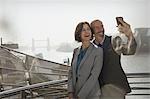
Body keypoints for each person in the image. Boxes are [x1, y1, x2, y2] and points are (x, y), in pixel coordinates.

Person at [90, 19, 137, 99]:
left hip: (115, 87)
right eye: (97, 27)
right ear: (92, 31)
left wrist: (129, 35)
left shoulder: (114, 40)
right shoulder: (90, 48)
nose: (101, 29)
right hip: (97, 90)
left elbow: (130, 51)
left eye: (101, 26)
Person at [68, 22, 103, 99]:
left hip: (91, 95)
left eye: (88, 29)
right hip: (75, 94)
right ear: (79, 33)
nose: (87, 32)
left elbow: (94, 76)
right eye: (83, 30)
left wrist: (80, 96)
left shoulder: (98, 51)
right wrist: (70, 92)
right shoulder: (76, 51)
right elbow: (71, 72)